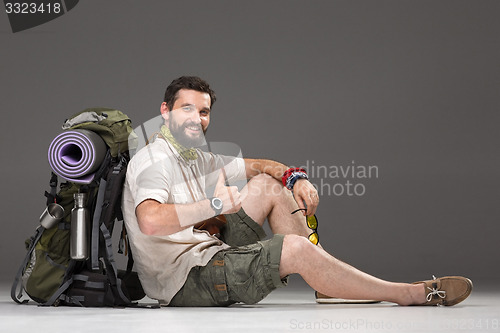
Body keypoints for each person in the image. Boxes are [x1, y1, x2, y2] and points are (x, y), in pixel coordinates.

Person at [122, 76, 472, 307]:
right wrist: (213, 203)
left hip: (205, 251)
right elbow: (150, 221)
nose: (197, 119)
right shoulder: (154, 161)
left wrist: (294, 177)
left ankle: (327, 283)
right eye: (187, 109)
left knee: (266, 186)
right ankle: (407, 294)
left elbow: (260, 166)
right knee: (293, 248)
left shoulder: (193, 155)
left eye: (204, 111)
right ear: (165, 111)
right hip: (182, 281)